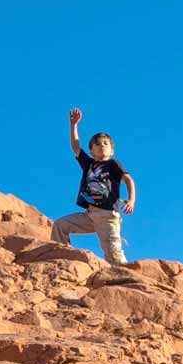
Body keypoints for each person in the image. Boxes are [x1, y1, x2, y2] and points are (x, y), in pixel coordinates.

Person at [52, 107, 136, 264]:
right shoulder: (88, 164)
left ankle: (125, 275)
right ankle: (61, 259)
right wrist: (73, 125)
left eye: (105, 143)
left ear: (112, 150)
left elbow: (129, 180)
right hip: (89, 215)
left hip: (107, 216)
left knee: (113, 255)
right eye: (97, 144)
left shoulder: (113, 164)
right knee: (60, 225)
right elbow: (76, 147)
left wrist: (131, 200)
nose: (102, 145)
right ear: (91, 151)